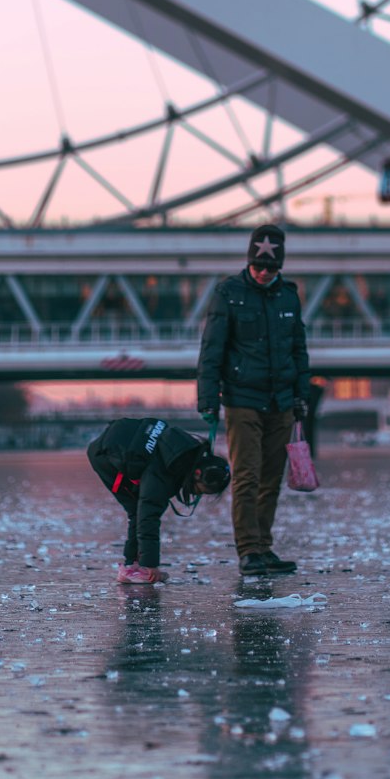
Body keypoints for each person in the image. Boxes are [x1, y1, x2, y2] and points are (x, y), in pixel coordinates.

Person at [197, 223, 310, 576]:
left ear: (280, 267)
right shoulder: (228, 293)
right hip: (242, 399)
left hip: (281, 401)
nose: (263, 273)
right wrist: (208, 399)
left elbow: (298, 350)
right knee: (246, 476)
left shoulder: (289, 296)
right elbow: (212, 349)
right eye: (258, 267)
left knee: (271, 478)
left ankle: (263, 547)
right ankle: (248, 550)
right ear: (249, 261)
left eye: (271, 269)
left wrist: (301, 396)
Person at [87, 415, 231, 583]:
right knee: (138, 511)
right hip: (104, 456)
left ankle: (135, 564)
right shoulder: (165, 476)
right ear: (198, 474)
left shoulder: (187, 451)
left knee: (142, 509)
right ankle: (133, 568)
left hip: (121, 439)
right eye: (202, 490)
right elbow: (149, 516)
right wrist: (151, 564)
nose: (198, 494)